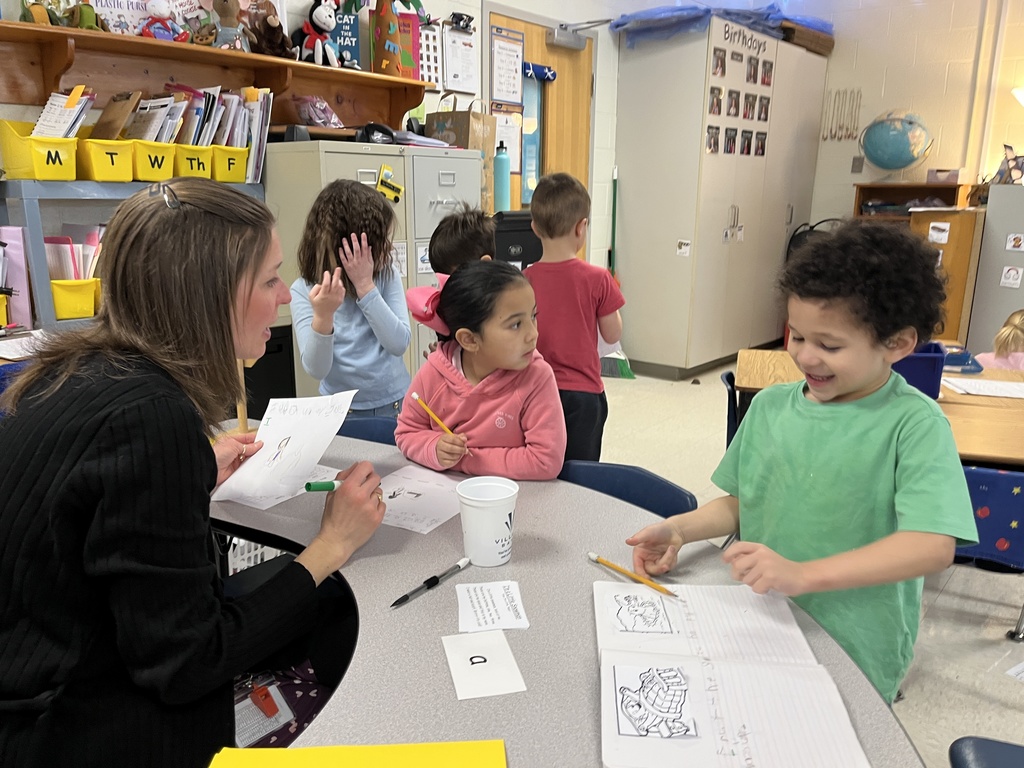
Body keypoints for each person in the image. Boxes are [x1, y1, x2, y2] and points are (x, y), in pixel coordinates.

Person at [0, 178, 387, 767]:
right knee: (322, 596)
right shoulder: (154, 419)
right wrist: (330, 546)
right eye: (268, 279)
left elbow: (82, 508)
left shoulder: (68, 371)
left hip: (36, 678)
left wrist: (196, 468)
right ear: (207, 298)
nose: (287, 297)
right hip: (73, 732)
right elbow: (187, 664)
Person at [626, 220, 978, 704]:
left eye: (830, 345)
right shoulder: (771, 407)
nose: (806, 357)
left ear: (896, 343)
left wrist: (803, 574)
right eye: (796, 337)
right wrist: (682, 529)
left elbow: (931, 547)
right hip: (765, 617)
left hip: (855, 642)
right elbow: (743, 501)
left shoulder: (914, 425)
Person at [396, 259, 566, 480]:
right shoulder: (434, 373)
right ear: (469, 340)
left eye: (533, 316)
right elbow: (406, 432)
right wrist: (433, 448)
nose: (533, 334)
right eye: (516, 325)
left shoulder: (536, 377)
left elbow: (546, 460)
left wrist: (466, 460)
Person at [524, 172, 625, 462]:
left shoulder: (523, 281)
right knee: (582, 476)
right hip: (584, 397)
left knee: (543, 467)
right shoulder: (597, 278)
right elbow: (612, 334)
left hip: (536, 392)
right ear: (581, 228)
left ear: (534, 227)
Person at [291, 179, 411, 417]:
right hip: (340, 411)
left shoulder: (386, 275)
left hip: (395, 403)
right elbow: (316, 368)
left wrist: (365, 287)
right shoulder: (304, 290)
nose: (388, 248)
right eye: (380, 241)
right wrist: (323, 316)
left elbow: (399, 344)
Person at [407, 202, 496, 359]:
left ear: (484, 264)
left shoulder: (504, 309)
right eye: (442, 279)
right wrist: (445, 362)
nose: (447, 288)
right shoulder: (452, 305)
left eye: (452, 278)